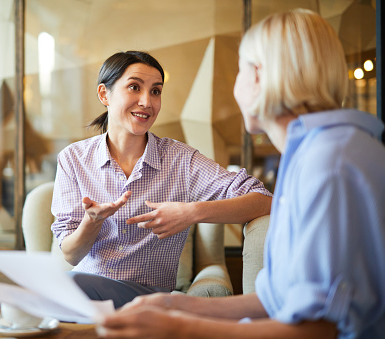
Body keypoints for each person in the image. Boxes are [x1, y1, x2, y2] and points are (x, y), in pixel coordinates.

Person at [96, 9, 385, 339]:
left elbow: (318, 329)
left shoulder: (330, 162)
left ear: (258, 77)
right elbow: (278, 301)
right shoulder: (315, 152)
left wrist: (177, 327)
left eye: (238, 71)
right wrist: (173, 305)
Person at [51, 50, 272, 309]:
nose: (146, 101)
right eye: (134, 87)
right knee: (63, 288)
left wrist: (191, 213)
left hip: (149, 298)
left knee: (62, 289)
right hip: (86, 293)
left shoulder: (181, 160)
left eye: (155, 91)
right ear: (104, 95)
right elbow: (70, 254)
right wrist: (92, 221)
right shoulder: (73, 159)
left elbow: (264, 200)